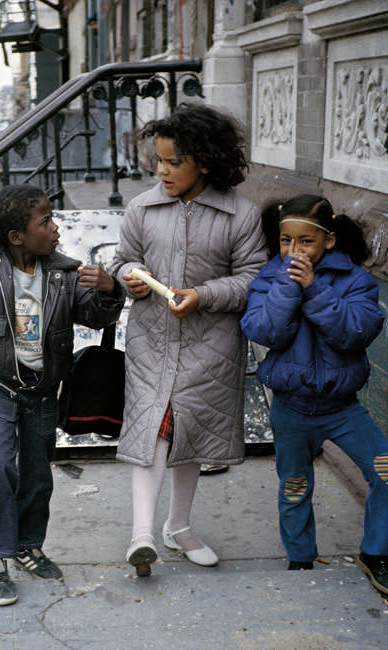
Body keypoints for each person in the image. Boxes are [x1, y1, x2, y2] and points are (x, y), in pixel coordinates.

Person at [0, 184, 125, 606]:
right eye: (45, 221)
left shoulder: (64, 272)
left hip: (44, 391)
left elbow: (94, 312)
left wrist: (109, 289)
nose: (55, 228)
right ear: (17, 236)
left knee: (36, 473)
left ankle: (29, 545)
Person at [109, 103, 268, 577]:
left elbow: (253, 277)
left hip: (210, 344)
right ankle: (142, 535)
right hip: (152, 341)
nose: (162, 170)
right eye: (158, 161)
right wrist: (129, 277)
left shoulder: (240, 215)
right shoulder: (142, 207)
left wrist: (203, 294)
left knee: (189, 433)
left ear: (204, 161)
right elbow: (123, 260)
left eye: (173, 162)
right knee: (152, 429)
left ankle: (178, 527)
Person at [239, 194, 388, 598]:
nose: (294, 251)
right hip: (291, 408)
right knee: (295, 485)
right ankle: (300, 558)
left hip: (342, 409)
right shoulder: (268, 280)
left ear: (328, 241)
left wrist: (315, 290)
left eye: (306, 242)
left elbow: (354, 334)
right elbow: (264, 332)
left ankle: (377, 553)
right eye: (285, 241)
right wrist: (288, 288)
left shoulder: (356, 282)